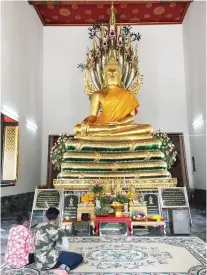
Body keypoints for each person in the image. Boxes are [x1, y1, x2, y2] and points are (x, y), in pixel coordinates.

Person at [34, 207, 83, 274]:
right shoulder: (59, 230)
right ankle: (61, 268)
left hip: (38, 261)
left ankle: (56, 268)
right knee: (78, 257)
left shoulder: (38, 228)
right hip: (51, 262)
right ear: (57, 217)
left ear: (46, 217)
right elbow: (65, 247)